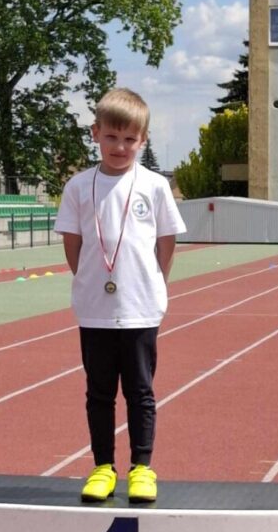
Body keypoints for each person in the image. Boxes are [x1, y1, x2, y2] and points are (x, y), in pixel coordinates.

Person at [55, 87, 186, 504]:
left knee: (140, 391)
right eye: (111, 136)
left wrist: (155, 283)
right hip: (95, 309)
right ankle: (103, 467)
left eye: (130, 139)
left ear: (142, 140)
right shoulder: (79, 186)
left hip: (140, 307)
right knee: (99, 392)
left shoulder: (154, 185)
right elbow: (73, 244)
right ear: (95, 133)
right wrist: (91, 279)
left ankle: (142, 468)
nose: (120, 146)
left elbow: (166, 241)